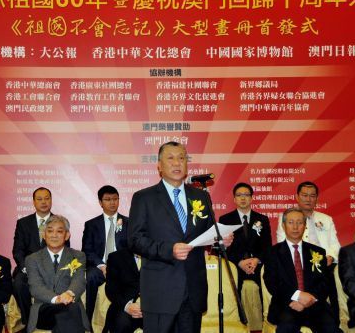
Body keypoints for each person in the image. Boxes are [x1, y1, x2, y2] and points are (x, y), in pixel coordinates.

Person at [128, 141, 233, 333]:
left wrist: (221, 240)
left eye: (182, 158)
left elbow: (209, 233)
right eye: (170, 158)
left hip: (193, 289)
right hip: (160, 290)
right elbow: (135, 240)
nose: (177, 163)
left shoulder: (200, 197)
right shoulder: (144, 198)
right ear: (159, 166)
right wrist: (170, 250)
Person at [263, 208, 339, 333]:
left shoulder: (317, 252)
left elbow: (324, 283)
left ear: (305, 226)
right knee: (286, 327)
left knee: (330, 327)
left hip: (314, 304)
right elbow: (272, 282)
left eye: (299, 222)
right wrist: (298, 296)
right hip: (286, 305)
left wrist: (311, 298)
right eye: (291, 222)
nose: (295, 227)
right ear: (283, 225)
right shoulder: (272, 253)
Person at [276, 181, 341, 323]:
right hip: (297, 264)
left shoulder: (326, 219)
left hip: (323, 265)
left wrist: (329, 256)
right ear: (297, 197)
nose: (308, 199)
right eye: (304, 195)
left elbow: (335, 245)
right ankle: (301, 301)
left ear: (317, 198)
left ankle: (335, 317)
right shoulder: (287, 217)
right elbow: (283, 244)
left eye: (312, 196)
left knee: (332, 275)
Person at [25, 214, 90, 333]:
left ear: (67, 235)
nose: (54, 235)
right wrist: (57, 299)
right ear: (44, 235)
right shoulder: (32, 259)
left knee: (67, 313)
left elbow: (79, 280)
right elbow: (36, 287)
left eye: (59, 231)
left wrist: (69, 294)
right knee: (69, 311)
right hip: (44, 308)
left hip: (70, 304)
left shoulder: (78, 256)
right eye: (50, 231)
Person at [12, 187, 67, 325]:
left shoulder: (60, 222)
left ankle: (53, 321)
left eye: (47, 198)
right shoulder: (23, 223)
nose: (44, 202)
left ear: (51, 200)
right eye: (39, 199)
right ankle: (28, 320)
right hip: (28, 268)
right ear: (33, 202)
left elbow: (65, 249)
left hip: (53, 267)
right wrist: (27, 268)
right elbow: (18, 250)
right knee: (19, 283)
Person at [82, 185, 129, 323]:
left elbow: (132, 248)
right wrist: (102, 266)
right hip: (99, 268)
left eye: (115, 199)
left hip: (122, 268)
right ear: (100, 202)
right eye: (108, 199)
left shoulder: (128, 222)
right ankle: (87, 321)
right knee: (90, 277)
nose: (112, 202)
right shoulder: (91, 224)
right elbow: (87, 250)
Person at [219, 182, 272, 292]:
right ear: (234, 199)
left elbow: (267, 246)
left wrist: (256, 260)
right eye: (239, 195)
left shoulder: (262, 219)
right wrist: (239, 262)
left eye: (246, 195)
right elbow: (222, 247)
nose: (243, 198)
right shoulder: (225, 220)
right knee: (236, 301)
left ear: (251, 198)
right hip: (234, 266)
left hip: (257, 266)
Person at [103, 248, 142, 333]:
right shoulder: (116, 257)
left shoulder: (160, 258)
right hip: (125, 306)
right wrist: (127, 306)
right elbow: (111, 289)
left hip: (154, 309)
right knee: (121, 322)